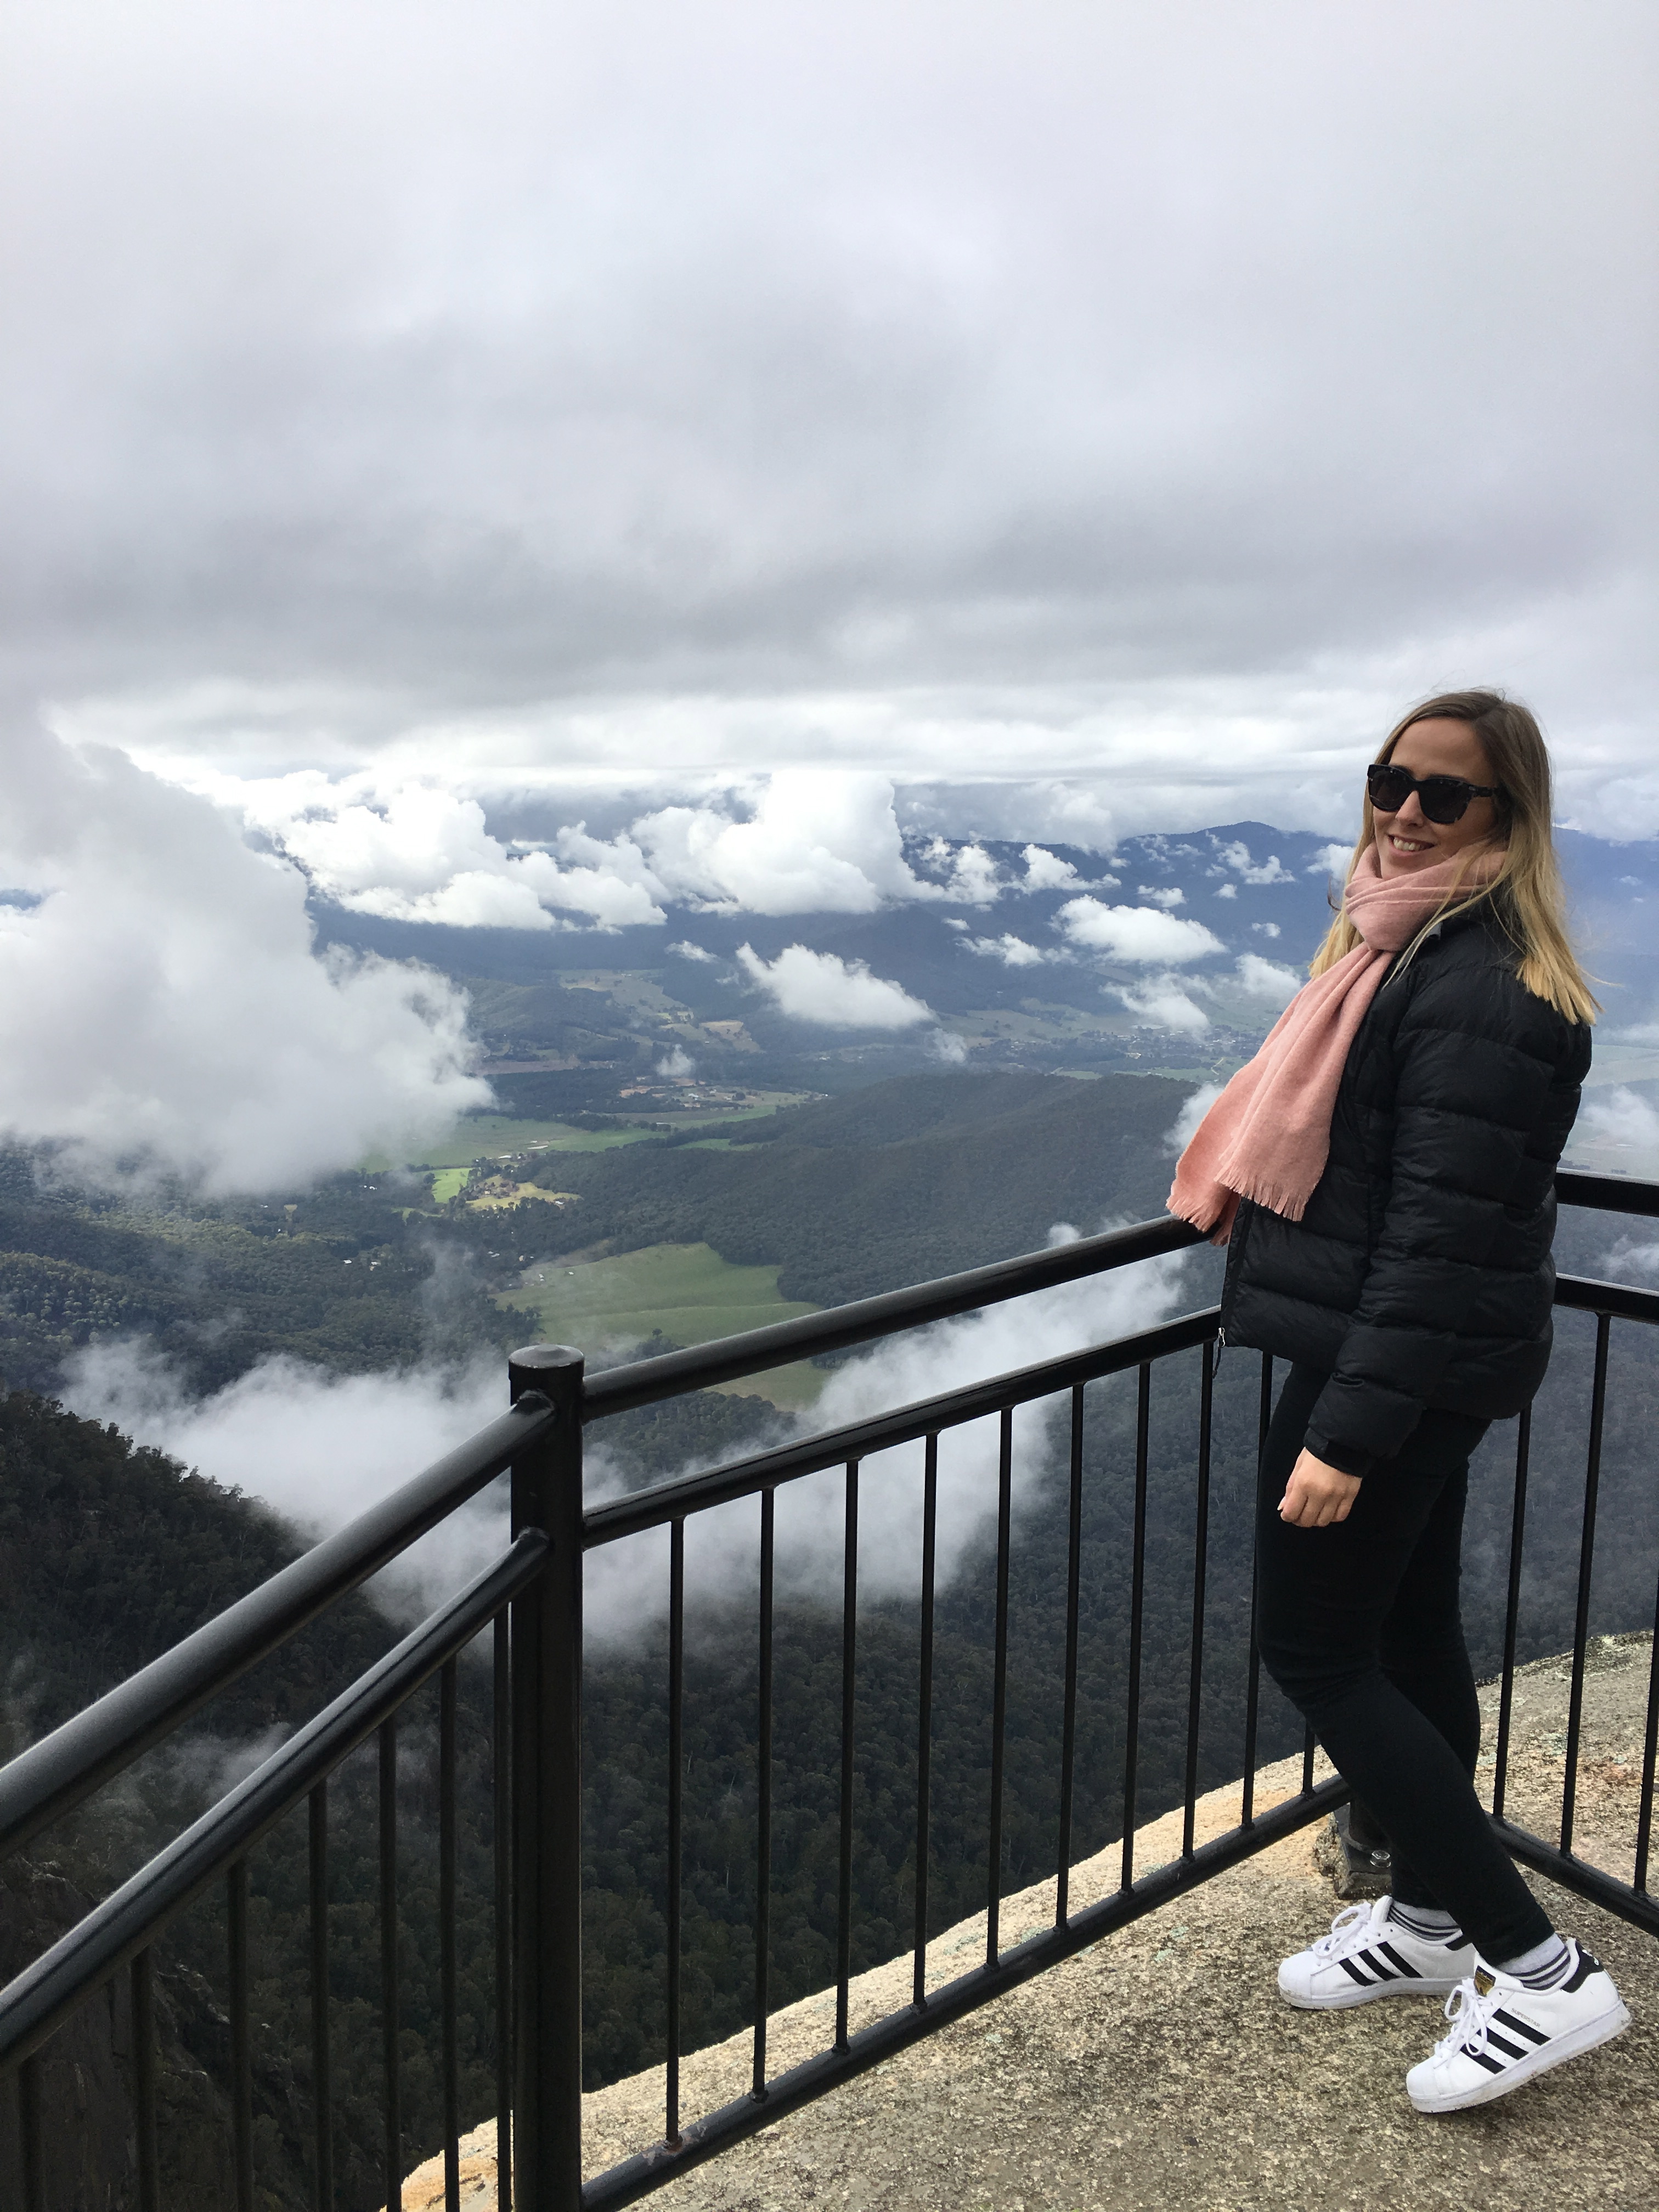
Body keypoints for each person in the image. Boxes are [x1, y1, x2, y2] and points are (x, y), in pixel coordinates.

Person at [1169, 689, 1629, 2114]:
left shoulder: (1479, 987)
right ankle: (1431, 1920)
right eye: (1391, 781)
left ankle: (1537, 1971)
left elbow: (1436, 1239)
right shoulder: (1410, 949)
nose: (1407, 812)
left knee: (1316, 1651)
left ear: (1509, 816)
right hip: (1411, 1359)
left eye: (1446, 794)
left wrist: (1345, 1432)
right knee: (1411, 1629)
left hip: (1390, 1372)